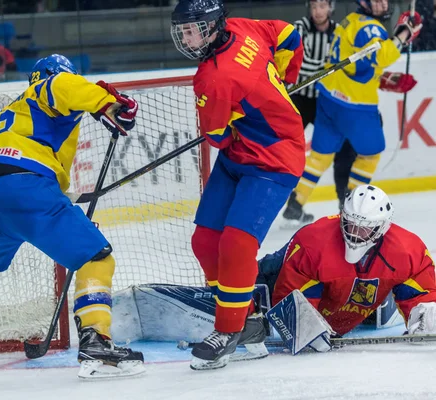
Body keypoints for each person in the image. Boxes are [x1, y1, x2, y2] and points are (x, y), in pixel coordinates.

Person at [0, 54, 144, 379]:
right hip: (24, 189)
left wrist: (59, 195)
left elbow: (29, 159)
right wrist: (107, 104)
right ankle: (96, 340)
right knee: (95, 258)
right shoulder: (51, 88)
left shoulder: (14, 111)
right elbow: (62, 85)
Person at [170, 0, 305, 370]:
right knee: (204, 242)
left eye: (191, 29)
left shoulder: (212, 78)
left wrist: (256, 105)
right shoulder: (242, 27)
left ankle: (229, 329)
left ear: (213, 27)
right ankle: (249, 319)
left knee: (237, 244)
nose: (185, 37)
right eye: (182, 30)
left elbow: (216, 136)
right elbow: (288, 34)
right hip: (240, 158)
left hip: (274, 160)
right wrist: (285, 76)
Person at [283, 0, 422, 222]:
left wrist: (384, 77)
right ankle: (353, 203)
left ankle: (296, 202)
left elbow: (357, 63)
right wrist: (404, 34)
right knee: (370, 155)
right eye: (377, 1)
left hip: (328, 99)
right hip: (355, 107)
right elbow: (381, 55)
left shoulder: (350, 20)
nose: (383, 4)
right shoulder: (371, 27)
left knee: (320, 157)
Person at [258, 184, 436, 353]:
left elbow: (423, 292)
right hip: (285, 266)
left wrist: (425, 314)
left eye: (364, 229)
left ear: (382, 228)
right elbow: (288, 292)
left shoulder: (408, 250)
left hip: (345, 298)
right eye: (351, 224)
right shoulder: (313, 242)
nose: (355, 233)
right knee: (258, 276)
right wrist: (303, 325)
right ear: (342, 216)